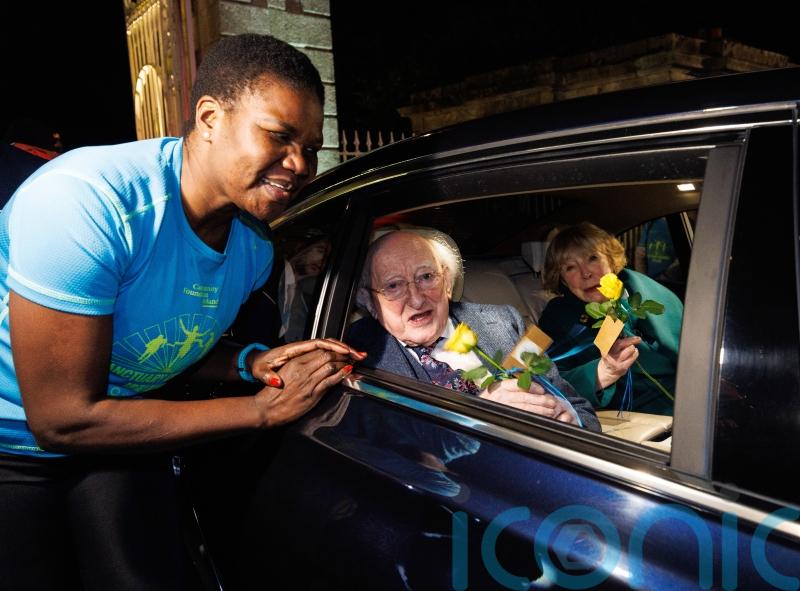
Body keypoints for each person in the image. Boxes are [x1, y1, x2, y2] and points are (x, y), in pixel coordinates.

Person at [0, 34, 363, 590]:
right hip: (14, 443)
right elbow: (62, 418)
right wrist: (261, 410)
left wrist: (252, 363)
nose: (299, 164)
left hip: (118, 431)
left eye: (310, 147)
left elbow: (153, 345)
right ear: (211, 117)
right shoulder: (86, 202)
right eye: (279, 136)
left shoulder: (254, 248)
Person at [346, 230, 600, 432]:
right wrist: (481, 411)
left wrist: (571, 422)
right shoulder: (356, 355)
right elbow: (390, 452)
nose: (416, 299)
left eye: (426, 277)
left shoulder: (505, 322)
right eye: (393, 286)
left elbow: (580, 409)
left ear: (446, 281)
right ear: (370, 303)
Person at [538, 222, 683, 415]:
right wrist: (601, 373)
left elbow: (691, 354)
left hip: (679, 399)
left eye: (592, 258)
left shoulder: (644, 291)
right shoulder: (556, 317)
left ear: (612, 261)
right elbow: (544, 382)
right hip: (616, 418)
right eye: (571, 267)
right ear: (562, 278)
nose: (586, 273)